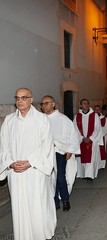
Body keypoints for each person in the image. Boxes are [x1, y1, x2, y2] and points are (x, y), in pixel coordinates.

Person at [0, 88, 56, 240]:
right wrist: (10, 163)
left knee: (37, 205)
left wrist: (31, 162)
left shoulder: (41, 119)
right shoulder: (9, 120)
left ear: (31, 100)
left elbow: (47, 145)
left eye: (24, 97)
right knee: (19, 207)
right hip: (15, 173)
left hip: (35, 170)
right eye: (17, 98)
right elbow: (3, 145)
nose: (20, 100)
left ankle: (39, 235)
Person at [41, 95, 79, 211]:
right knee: (49, 178)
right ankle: (54, 202)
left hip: (59, 151)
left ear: (53, 104)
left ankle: (65, 200)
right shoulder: (40, 119)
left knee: (60, 178)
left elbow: (73, 135)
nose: (44, 106)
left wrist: (70, 150)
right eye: (42, 104)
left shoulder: (63, 119)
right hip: (45, 153)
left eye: (46, 103)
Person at [73, 99, 102, 181]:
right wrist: (82, 138)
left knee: (91, 158)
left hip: (92, 141)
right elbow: (75, 129)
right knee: (81, 157)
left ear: (89, 105)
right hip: (81, 140)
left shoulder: (94, 116)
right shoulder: (77, 116)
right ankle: (82, 173)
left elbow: (97, 128)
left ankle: (89, 175)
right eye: (84, 103)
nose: (86, 104)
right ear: (81, 106)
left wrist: (90, 138)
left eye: (87, 103)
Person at [94, 105, 107, 169]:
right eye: (95, 109)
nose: (97, 110)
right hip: (94, 138)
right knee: (95, 152)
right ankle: (95, 165)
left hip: (101, 137)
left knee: (102, 151)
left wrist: (100, 133)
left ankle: (101, 165)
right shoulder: (91, 117)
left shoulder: (103, 118)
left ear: (100, 110)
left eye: (98, 109)